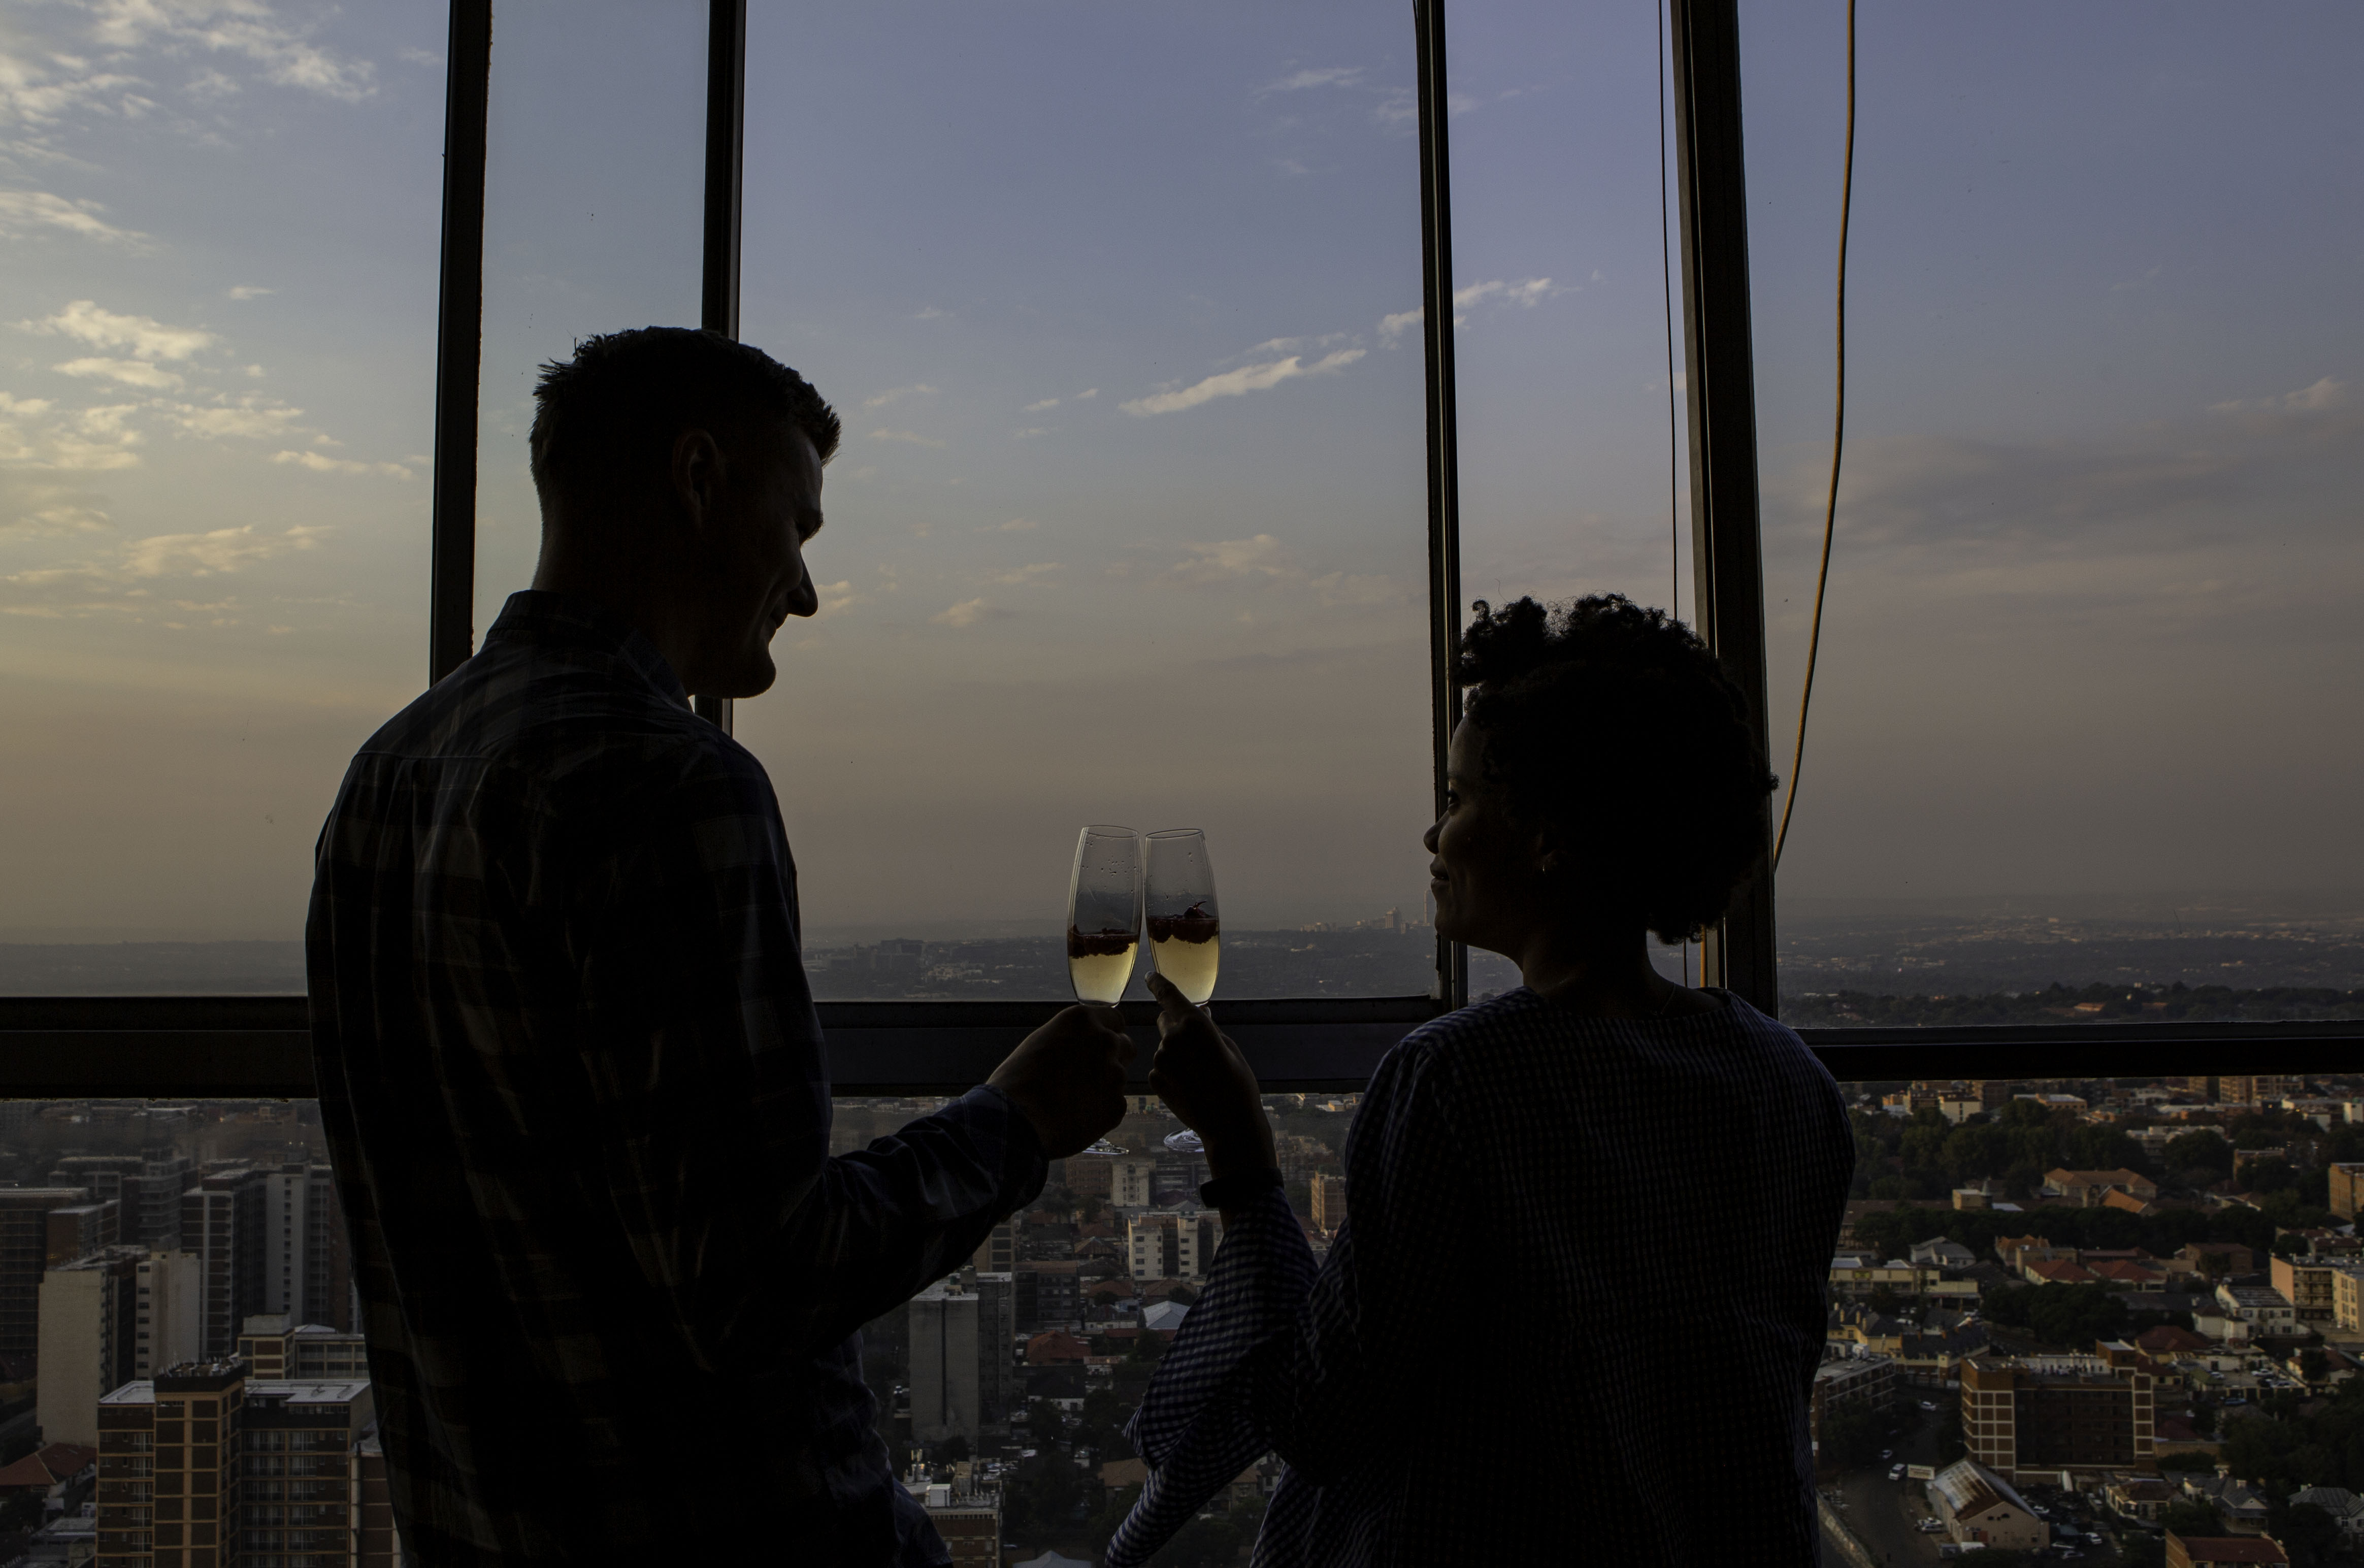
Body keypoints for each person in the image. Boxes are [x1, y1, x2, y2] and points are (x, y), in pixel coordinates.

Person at [306, 327, 1135, 1565]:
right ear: (697, 478)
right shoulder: (671, 783)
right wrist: (1012, 1123)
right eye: (797, 530)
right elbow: (755, 1282)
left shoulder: (386, 775)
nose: (802, 588)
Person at [1110, 594, 1855, 1565]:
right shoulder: (1787, 1080)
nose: (1435, 837)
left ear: (1549, 837)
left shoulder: (1462, 1078)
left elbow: (1323, 1416)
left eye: (1458, 800)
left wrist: (1242, 1156)